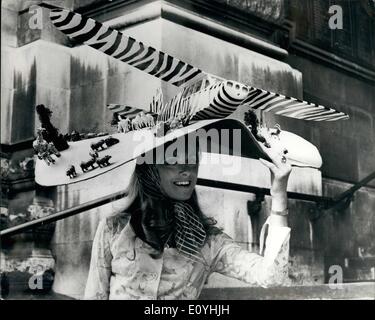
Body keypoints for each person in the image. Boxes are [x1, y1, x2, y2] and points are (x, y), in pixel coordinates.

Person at [84, 133, 292, 300]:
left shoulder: (208, 241)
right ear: (150, 170)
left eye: (192, 162)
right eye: (173, 161)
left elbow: (273, 275)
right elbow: (95, 295)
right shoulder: (114, 229)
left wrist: (279, 194)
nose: (186, 171)